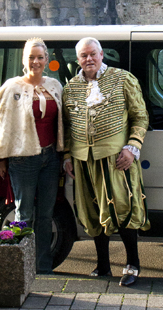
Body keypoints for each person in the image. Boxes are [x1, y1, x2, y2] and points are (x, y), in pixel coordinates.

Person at [63, 37, 150, 286]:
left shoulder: (123, 79)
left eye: (92, 54)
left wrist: (132, 148)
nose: (88, 59)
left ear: (102, 54)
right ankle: (103, 266)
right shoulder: (70, 88)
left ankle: (132, 264)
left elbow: (140, 116)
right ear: (78, 59)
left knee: (122, 209)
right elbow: (67, 127)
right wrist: (68, 156)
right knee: (92, 212)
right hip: (83, 161)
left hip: (116, 159)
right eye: (83, 56)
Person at [0, 37, 63, 273]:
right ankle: (21, 268)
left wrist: (64, 154)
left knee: (46, 215)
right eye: (31, 57)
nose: (35, 61)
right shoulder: (11, 87)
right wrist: (0, 157)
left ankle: (43, 267)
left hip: (51, 158)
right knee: (24, 213)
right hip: (22, 158)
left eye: (39, 57)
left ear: (46, 60)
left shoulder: (55, 86)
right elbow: (0, 124)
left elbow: (63, 123)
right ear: (24, 60)